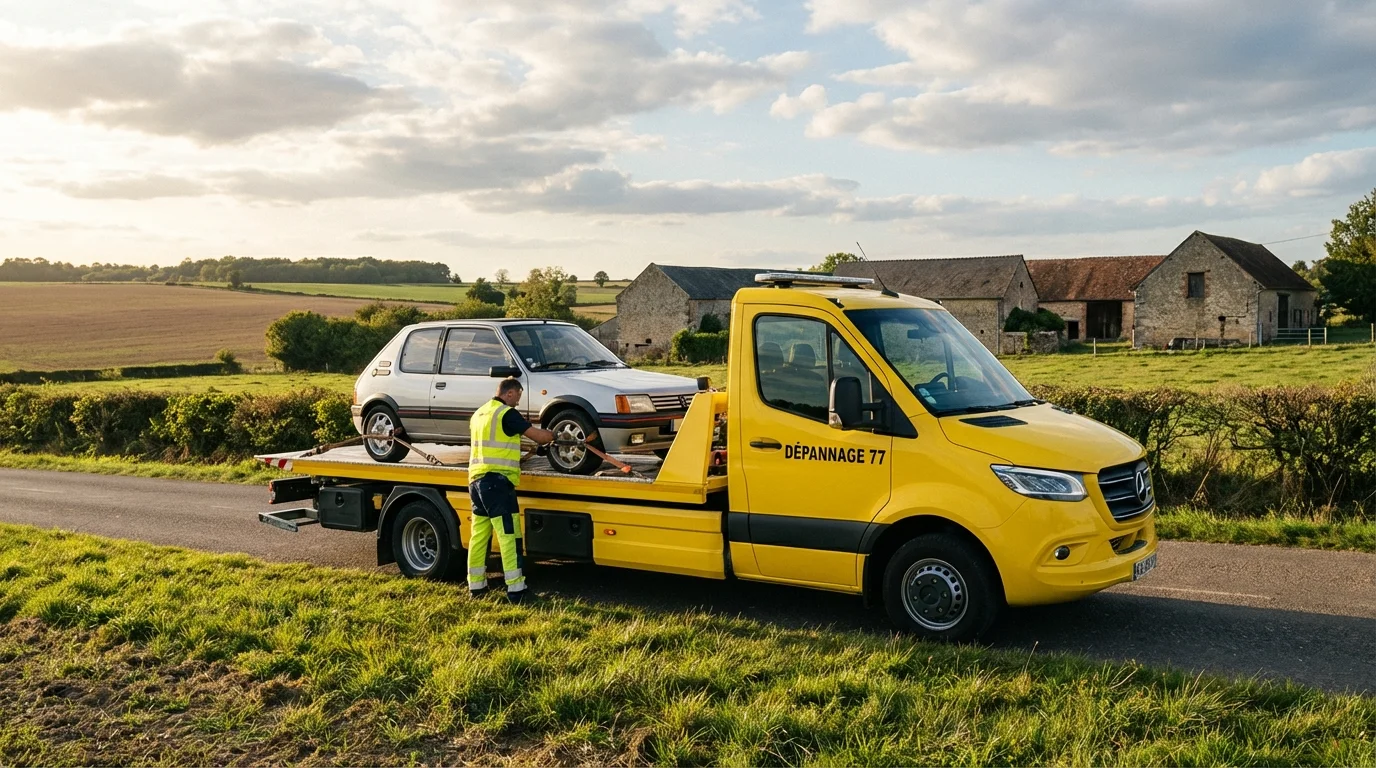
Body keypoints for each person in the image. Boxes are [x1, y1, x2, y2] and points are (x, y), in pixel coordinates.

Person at [467, 377, 555, 603]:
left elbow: (503, 440)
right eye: (518, 395)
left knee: (479, 536)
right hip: (498, 484)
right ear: (509, 393)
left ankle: (476, 588)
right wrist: (552, 436)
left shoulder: (480, 414)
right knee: (509, 536)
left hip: (476, 482)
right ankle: (517, 591)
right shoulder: (506, 413)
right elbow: (538, 435)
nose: (518, 400)